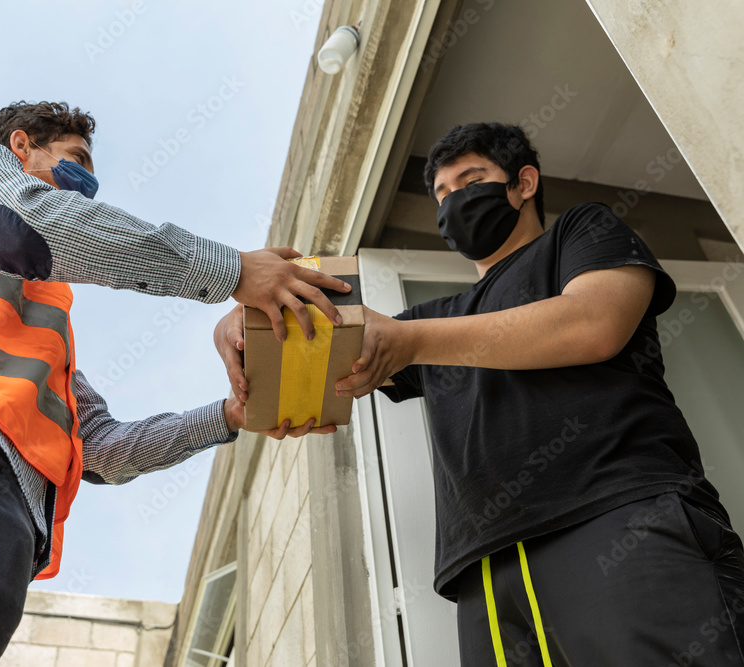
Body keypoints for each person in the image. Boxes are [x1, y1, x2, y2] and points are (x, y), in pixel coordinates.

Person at [0, 100, 344, 666]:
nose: (86, 187)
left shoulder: (31, 326)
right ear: (21, 146)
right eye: (75, 161)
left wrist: (230, 415)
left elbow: (102, 451)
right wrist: (231, 270)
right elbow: (27, 231)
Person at [216, 123, 744, 665]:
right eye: (441, 194)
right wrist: (248, 320)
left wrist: (411, 340)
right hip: (486, 574)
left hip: (617, 520)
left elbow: (595, 322)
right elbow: (323, 360)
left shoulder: (579, 234)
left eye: (471, 180)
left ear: (523, 183)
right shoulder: (434, 318)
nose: (454, 201)